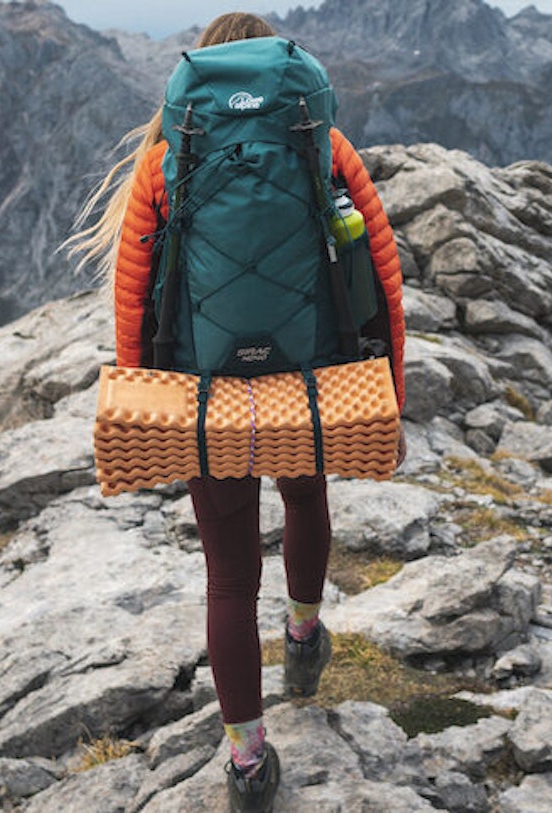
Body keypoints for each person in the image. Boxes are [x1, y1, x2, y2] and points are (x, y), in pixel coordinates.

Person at [64, 12, 406, 811]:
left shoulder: (166, 157)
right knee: (305, 498)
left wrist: (146, 390)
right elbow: (378, 264)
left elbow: (134, 291)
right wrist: (390, 378)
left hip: (204, 385)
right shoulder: (319, 141)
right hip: (304, 372)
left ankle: (247, 762)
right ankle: (302, 636)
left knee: (227, 576)